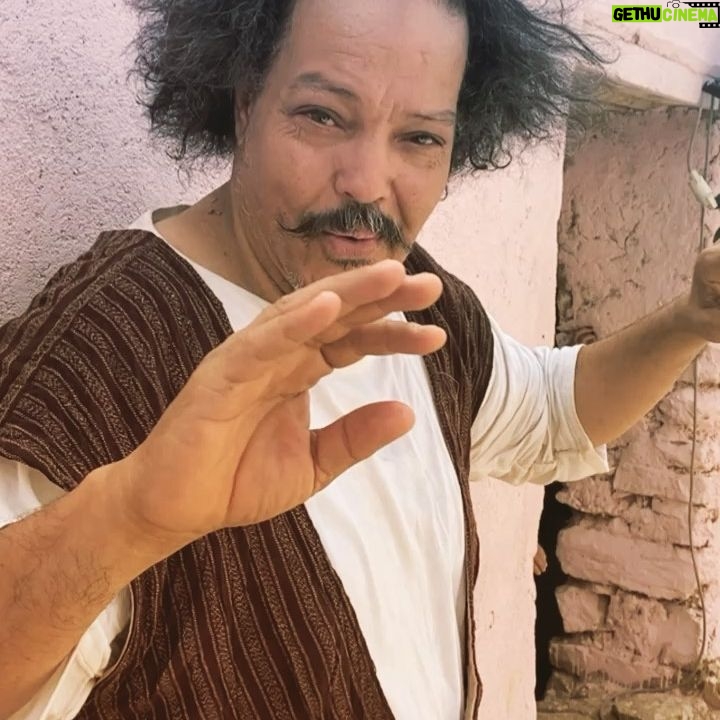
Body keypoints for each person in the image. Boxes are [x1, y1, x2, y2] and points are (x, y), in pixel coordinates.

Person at [1, 0, 718, 718]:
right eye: (323, 116)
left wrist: (690, 319)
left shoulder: (411, 296)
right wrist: (129, 520)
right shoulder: (95, 351)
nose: (368, 182)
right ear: (245, 101)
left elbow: (548, 409)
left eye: (419, 137)